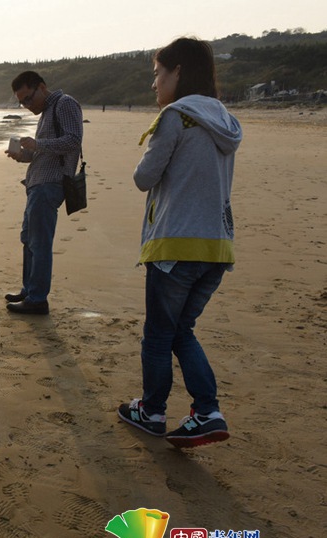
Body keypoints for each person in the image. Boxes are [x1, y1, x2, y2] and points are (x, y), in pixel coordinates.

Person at [118, 38, 242, 448]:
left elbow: (143, 178)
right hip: (217, 248)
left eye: (158, 74)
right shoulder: (223, 119)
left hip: (176, 246)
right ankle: (208, 410)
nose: (154, 84)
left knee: (158, 335)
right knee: (181, 332)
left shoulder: (176, 116)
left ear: (178, 73)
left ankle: (152, 411)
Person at [4, 71, 83, 315]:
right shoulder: (47, 112)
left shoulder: (65, 103)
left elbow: (73, 140)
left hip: (51, 184)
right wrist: (23, 156)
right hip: (38, 183)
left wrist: (38, 144)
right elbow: (44, 154)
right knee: (29, 240)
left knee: (39, 243)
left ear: (41, 87)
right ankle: (30, 290)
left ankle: (37, 299)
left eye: (28, 99)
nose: (27, 106)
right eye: (21, 103)